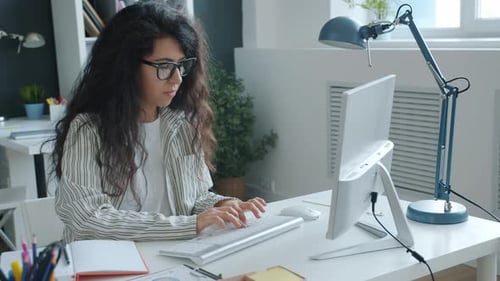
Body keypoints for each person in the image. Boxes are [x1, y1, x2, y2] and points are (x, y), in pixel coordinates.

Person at [51, 1, 266, 242]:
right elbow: (86, 218)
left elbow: (194, 199)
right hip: (111, 264)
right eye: (164, 66)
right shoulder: (88, 129)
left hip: (169, 255)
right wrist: (187, 225)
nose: (176, 78)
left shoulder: (182, 123)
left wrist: (223, 204)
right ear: (126, 67)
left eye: (181, 66)